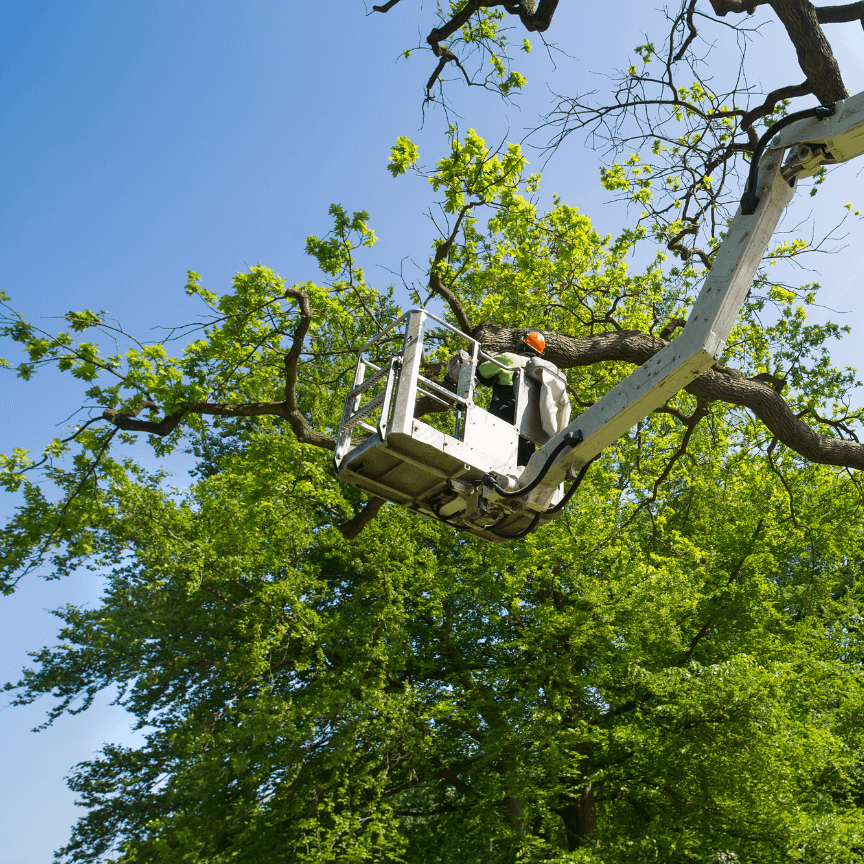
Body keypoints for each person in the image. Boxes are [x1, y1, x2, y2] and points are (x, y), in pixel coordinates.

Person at [476, 330, 571, 464]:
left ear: (522, 343)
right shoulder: (543, 373)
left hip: (502, 420)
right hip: (528, 434)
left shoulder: (509, 358)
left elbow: (480, 373)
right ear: (540, 353)